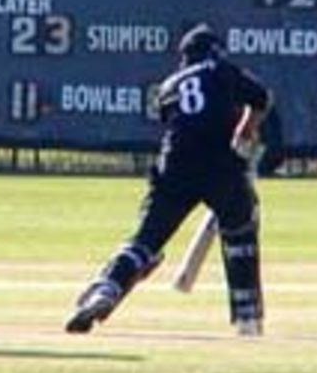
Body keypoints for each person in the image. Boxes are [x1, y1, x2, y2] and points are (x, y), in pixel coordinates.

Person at [64, 23, 273, 337]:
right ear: (215, 52)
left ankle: (105, 289)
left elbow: (180, 122)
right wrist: (245, 130)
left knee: (145, 240)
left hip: (173, 165)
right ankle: (247, 316)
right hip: (219, 161)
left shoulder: (168, 86)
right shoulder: (222, 69)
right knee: (241, 226)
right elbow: (262, 98)